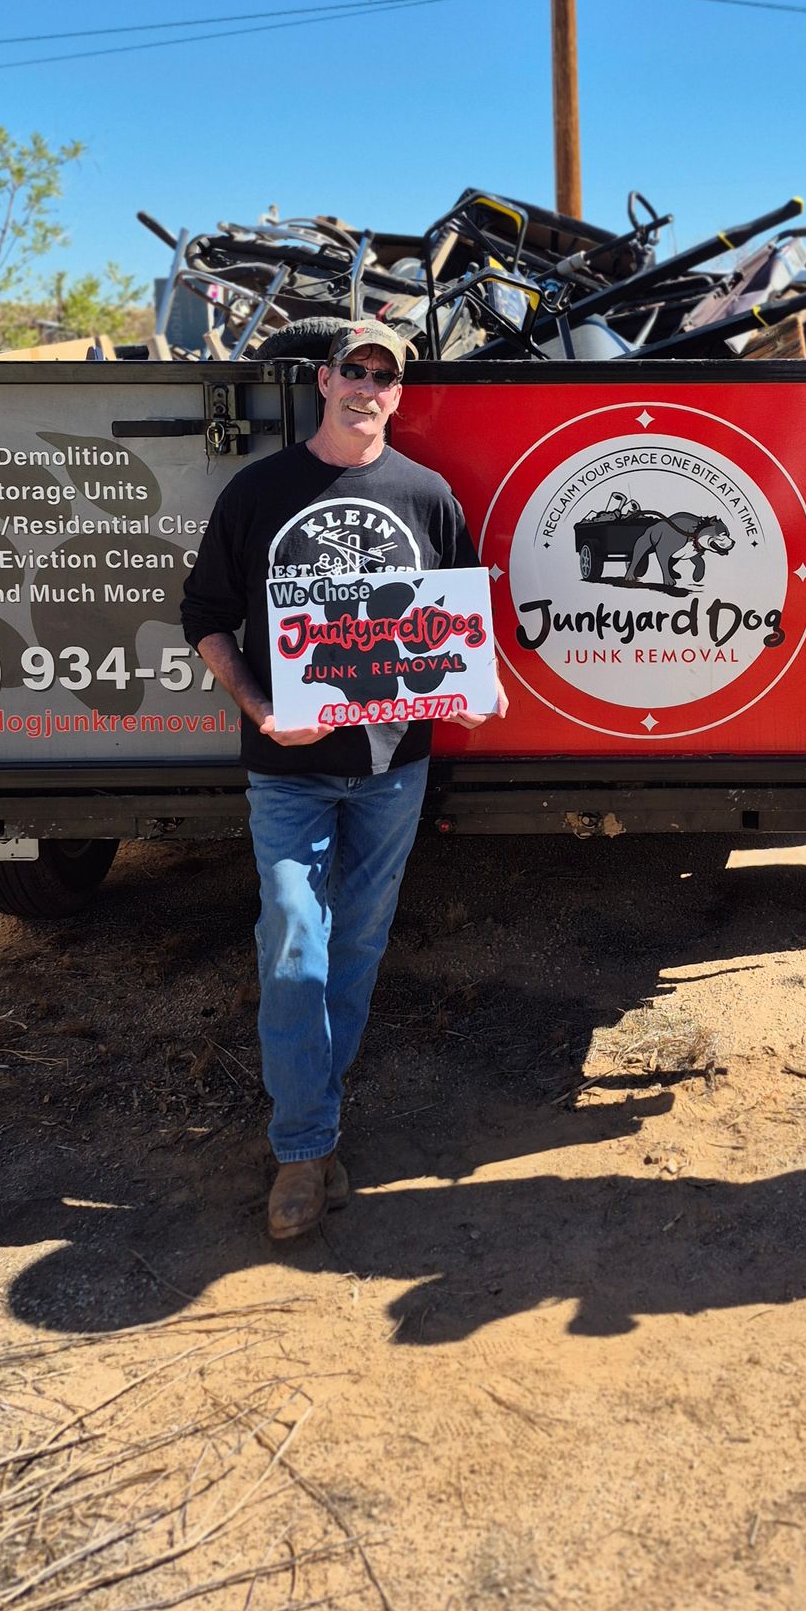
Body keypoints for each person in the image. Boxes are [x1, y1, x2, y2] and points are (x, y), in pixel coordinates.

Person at [181, 318, 503, 1242]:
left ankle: (314, 1133)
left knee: (354, 950)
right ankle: (301, 1147)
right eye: (352, 370)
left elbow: (455, 625)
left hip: (393, 768)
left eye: (384, 376)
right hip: (287, 769)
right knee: (292, 937)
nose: (367, 385)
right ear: (323, 381)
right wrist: (254, 705)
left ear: (400, 395)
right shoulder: (259, 491)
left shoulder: (427, 495)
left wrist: (474, 695)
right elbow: (204, 613)